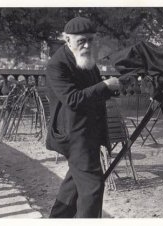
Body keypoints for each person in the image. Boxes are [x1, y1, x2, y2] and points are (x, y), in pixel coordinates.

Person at [45, 17, 120, 218]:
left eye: (90, 40)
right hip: (74, 136)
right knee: (92, 188)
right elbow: (73, 99)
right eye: (81, 41)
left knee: (74, 186)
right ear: (67, 39)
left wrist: (116, 86)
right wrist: (105, 86)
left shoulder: (86, 60)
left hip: (88, 133)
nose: (87, 45)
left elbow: (95, 92)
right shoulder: (57, 64)